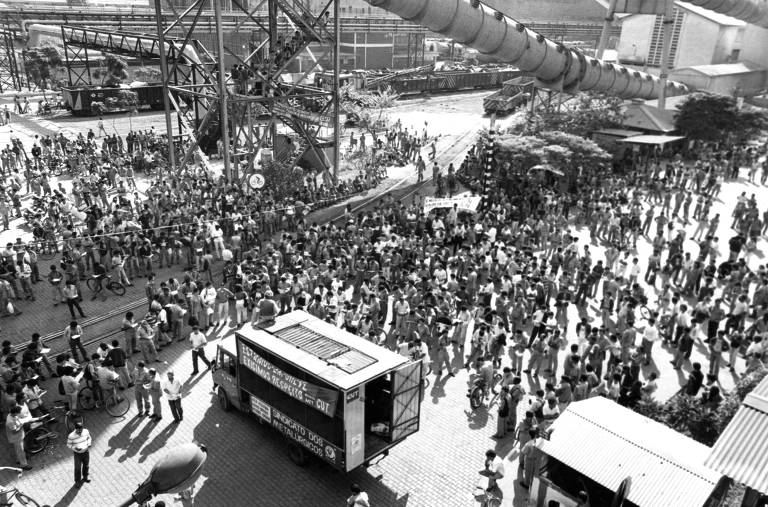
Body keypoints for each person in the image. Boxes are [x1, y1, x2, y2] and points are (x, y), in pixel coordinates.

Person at [6, 405, 39, 469]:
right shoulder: (10, 421)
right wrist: (21, 425)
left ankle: (18, 460)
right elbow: (14, 431)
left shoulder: (12, 415)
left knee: (18, 450)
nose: (19, 414)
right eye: (18, 412)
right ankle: (24, 465)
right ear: (15, 412)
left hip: (19, 436)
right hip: (16, 438)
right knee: (21, 451)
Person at [66, 421, 92, 487]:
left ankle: (85, 477)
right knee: (77, 468)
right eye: (78, 431)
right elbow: (68, 445)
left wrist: (89, 444)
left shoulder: (86, 431)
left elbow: (89, 438)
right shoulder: (71, 436)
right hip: (77, 454)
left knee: (86, 465)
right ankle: (77, 481)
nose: (80, 432)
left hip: (86, 452)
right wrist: (75, 448)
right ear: (75, 429)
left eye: (81, 430)